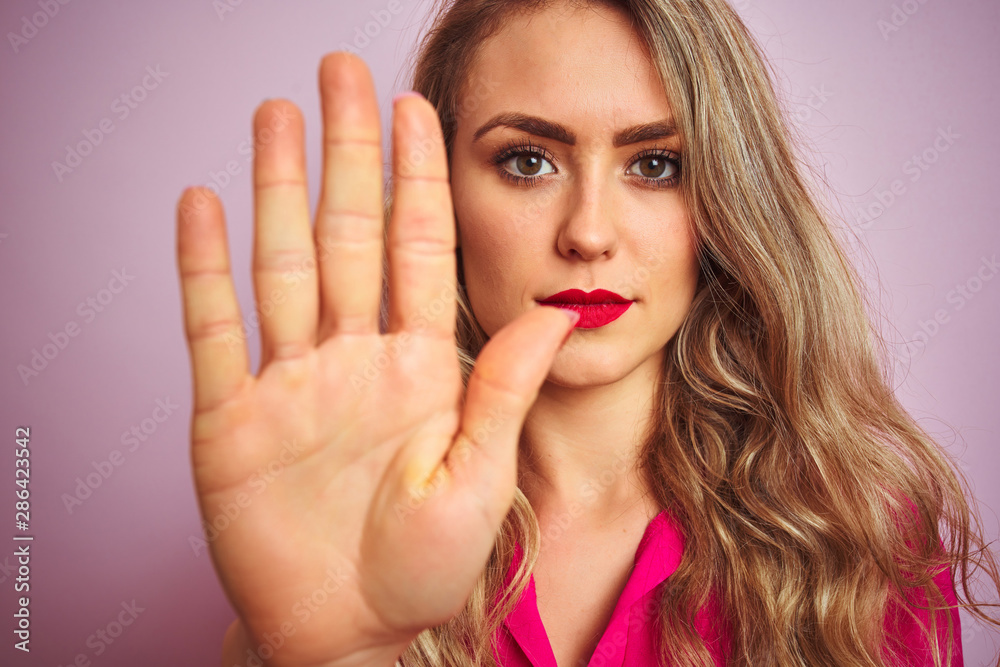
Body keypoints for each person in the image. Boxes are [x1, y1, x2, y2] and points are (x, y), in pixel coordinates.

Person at [174, 0, 1000, 665]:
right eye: (528, 160)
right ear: (442, 191)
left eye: (656, 164)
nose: (590, 233)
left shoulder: (857, 540)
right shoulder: (355, 531)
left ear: (724, 203)